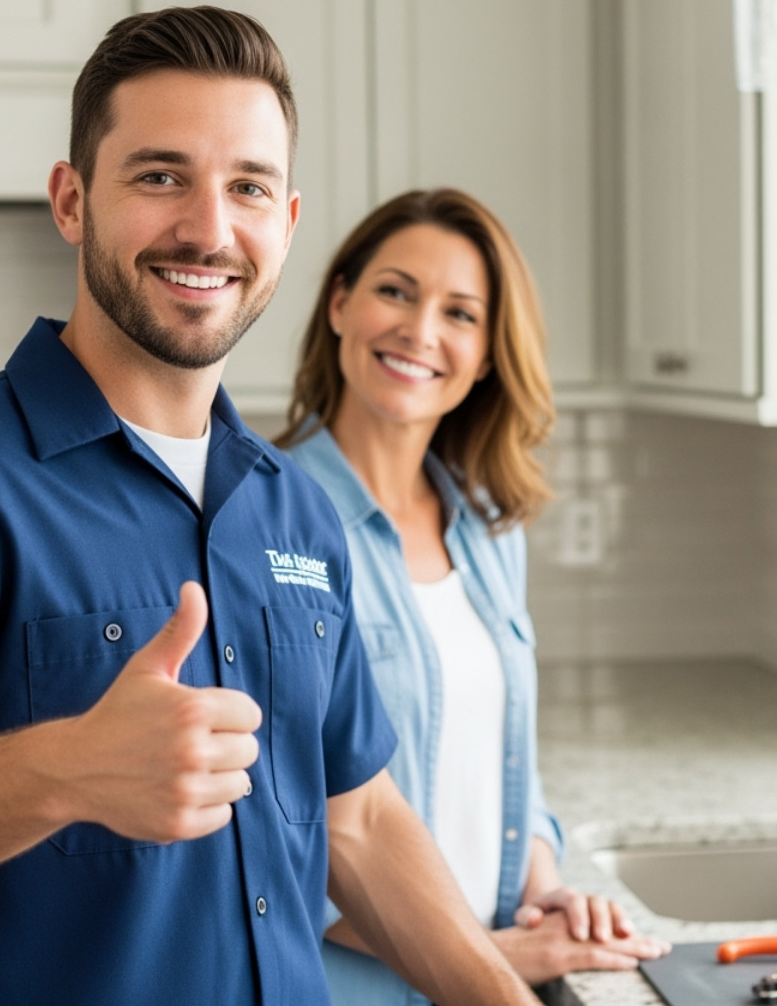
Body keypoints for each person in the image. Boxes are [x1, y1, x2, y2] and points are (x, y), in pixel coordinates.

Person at [0, 8, 542, 1006]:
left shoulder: (293, 509)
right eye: (161, 176)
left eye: (247, 187)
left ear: (287, 224)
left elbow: (361, 820)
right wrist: (63, 771)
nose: (209, 229)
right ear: (72, 200)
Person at [275, 188, 670, 1004]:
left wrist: (546, 888)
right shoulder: (267, 523)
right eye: (395, 291)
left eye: (460, 313)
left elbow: (501, 756)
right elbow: (278, 836)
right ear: (341, 303)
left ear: (488, 353)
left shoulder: (490, 530)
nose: (420, 331)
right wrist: (488, 960)